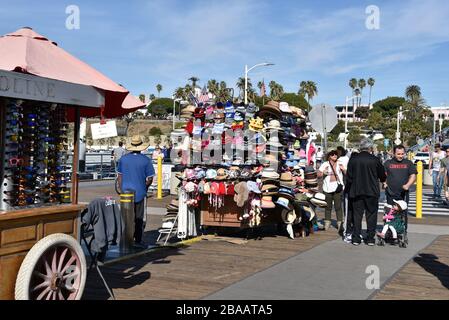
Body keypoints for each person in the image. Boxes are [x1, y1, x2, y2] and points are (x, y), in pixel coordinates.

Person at [117, 135, 155, 247]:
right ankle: (138, 240)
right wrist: (145, 187)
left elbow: (119, 176)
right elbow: (150, 179)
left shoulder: (123, 159)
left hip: (125, 193)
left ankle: (125, 239)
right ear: (141, 146)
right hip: (140, 192)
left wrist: (121, 189)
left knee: (125, 217)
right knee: (139, 218)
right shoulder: (146, 160)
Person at [347, 139, 386, 246]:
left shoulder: (353, 159)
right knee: (371, 214)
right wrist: (382, 181)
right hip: (372, 191)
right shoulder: (375, 159)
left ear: (360, 147)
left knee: (357, 215)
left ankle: (356, 238)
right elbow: (382, 175)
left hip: (356, 190)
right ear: (370, 148)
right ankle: (370, 238)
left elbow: (349, 177)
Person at [318, 150, 346, 232]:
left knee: (338, 207)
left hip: (338, 188)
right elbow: (318, 175)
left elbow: (347, 173)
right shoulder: (325, 164)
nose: (335, 156)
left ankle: (340, 224)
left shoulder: (340, 163)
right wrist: (323, 173)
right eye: (333, 154)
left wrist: (343, 170)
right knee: (327, 207)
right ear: (329, 156)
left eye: (336, 154)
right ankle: (327, 223)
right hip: (327, 188)